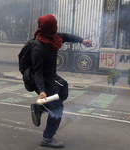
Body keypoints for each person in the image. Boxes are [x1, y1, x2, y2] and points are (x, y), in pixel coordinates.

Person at [30, 14, 92, 148]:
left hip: (52, 77)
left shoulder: (54, 38)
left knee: (63, 88)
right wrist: (41, 91)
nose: (55, 28)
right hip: (43, 81)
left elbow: (67, 36)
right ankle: (47, 138)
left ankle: (41, 106)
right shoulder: (38, 48)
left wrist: (82, 40)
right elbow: (37, 72)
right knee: (57, 107)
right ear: (49, 27)